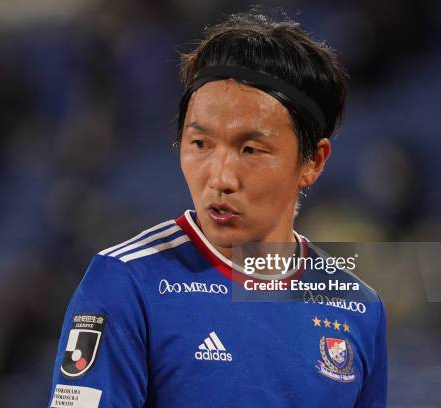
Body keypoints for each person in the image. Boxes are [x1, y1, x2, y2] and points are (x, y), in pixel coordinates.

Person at [48, 11, 387, 408]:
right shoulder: (124, 283)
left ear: (313, 161)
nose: (221, 177)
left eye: (250, 149)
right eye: (200, 145)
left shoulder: (358, 308)